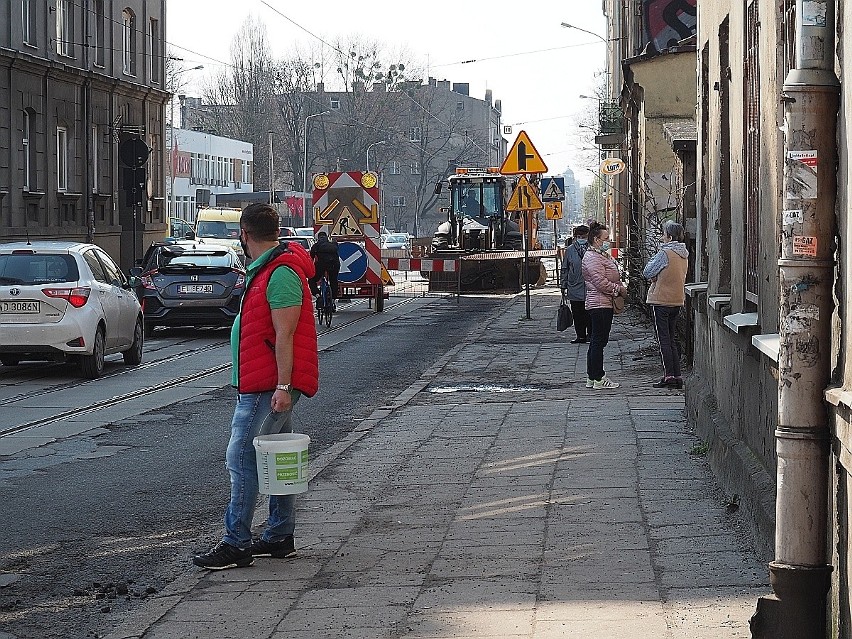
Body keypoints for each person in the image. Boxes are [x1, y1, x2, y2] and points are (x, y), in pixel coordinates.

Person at [193, 203, 319, 570]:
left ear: (244, 234)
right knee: (277, 456)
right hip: (265, 380)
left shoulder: (280, 273)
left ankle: (236, 542)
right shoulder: (268, 268)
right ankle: (279, 536)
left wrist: (282, 385)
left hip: (268, 384)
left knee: (241, 457)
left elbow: (286, 334)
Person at [643, 220, 689, 389]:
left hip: (661, 299)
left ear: (669, 236)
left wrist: (655, 276)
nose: (662, 237)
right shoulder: (683, 253)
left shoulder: (665, 253)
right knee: (671, 338)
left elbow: (648, 271)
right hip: (677, 299)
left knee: (664, 340)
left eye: (664, 234)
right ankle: (677, 375)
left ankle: (668, 375)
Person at [581, 221, 626, 390]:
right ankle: (598, 377)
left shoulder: (600, 256)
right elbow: (600, 282)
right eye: (606, 238)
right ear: (596, 240)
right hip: (599, 303)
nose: (609, 241)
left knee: (598, 341)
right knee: (598, 341)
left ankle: (593, 377)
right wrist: (618, 289)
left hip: (602, 302)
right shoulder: (592, 258)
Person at [560, 225, 590, 344]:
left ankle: (591, 334)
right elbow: (565, 268)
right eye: (579, 236)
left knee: (590, 313)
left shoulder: (593, 249)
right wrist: (563, 284)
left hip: (590, 286)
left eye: (584, 236)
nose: (581, 239)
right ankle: (580, 336)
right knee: (578, 313)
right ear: (575, 237)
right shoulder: (570, 250)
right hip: (574, 286)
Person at [309, 231, 340, 302]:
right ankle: (333, 300)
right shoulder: (333, 245)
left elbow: (311, 258)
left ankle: (318, 295)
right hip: (334, 264)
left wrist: (311, 269)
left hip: (321, 265)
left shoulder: (316, 246)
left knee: (312, 280)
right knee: (334, 280)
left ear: (318, 238)